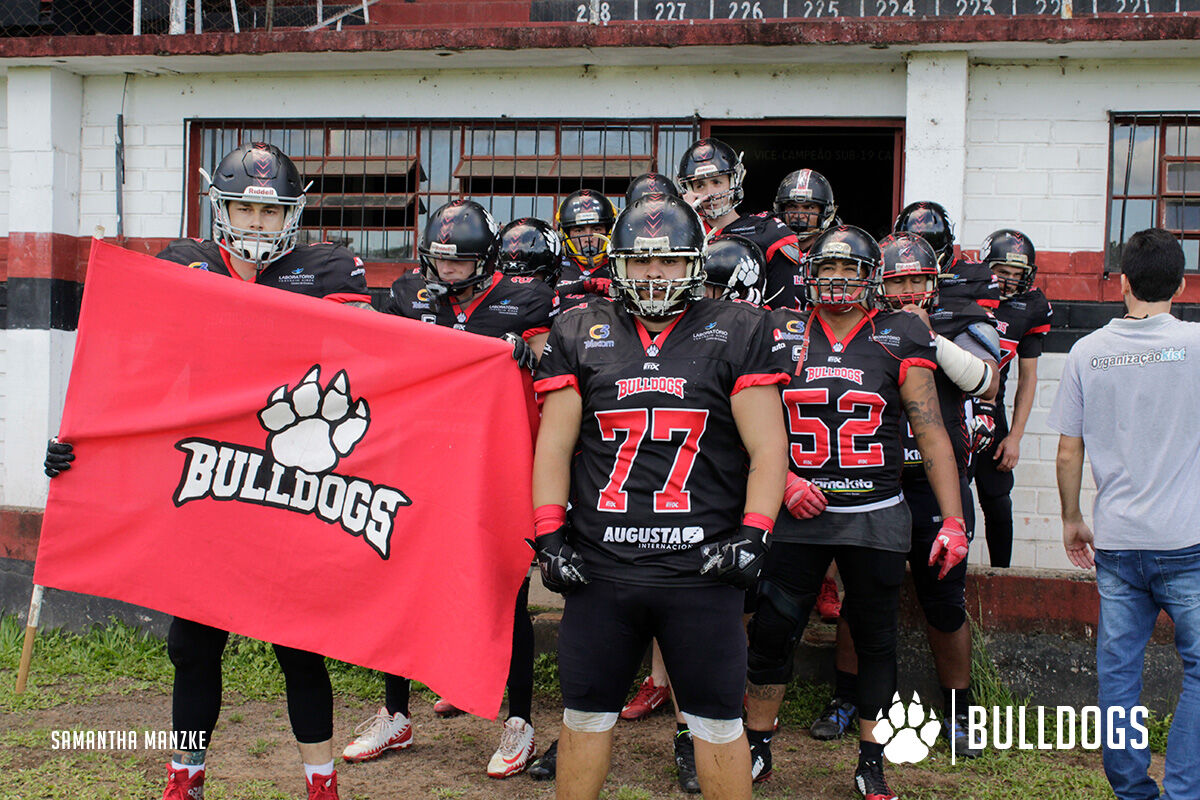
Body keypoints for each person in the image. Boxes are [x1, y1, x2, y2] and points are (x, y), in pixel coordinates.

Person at [45, 142, 372, 800]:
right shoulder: (183, 264)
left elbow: (384, 357)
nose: (255, 225)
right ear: (220, 210)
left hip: (288, 479)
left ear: (293, 214)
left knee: (299, 645)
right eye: (243, 211)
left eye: (268, 211)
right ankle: (185, 778)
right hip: (210, 474)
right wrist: (82, 438)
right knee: (193, 645)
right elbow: (132, 367)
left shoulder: (328, 268)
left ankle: (321, 782)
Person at [529, 192, 788, 800]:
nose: (654, 274)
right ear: (616, 263)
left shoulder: (738, 327)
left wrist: (754, 533)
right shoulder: (577, 328)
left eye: (669, 261)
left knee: (719, 725)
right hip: (602, 569)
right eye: (642, 262)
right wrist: (548, 534)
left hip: (701, 569)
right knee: (584, 716)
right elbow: (553, 446)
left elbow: (769, 449)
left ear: (695, 262)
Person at [743, 225, 966, 800]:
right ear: (807, 275)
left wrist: (954, 519)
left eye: (851, 270)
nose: (839, 281)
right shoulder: (779, 331)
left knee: (876, 639)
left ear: (873, 277)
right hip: (799, 514)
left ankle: (872, 758)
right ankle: (758, 745)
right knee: (773, 631)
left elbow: (932, 432)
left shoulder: (900, 332)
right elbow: (750, 423)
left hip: (877, 512)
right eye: (828, 269)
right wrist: (786, 478)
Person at [343, 200, 554, 778]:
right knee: (402, 580)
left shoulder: (525, 298)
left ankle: (520, 720)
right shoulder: (410, 294)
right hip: (423, 462)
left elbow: (552, 368)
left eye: (459, 264)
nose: (448, 273)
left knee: (505, 590)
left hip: (495, 469)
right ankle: (395, 712)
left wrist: (523, 358)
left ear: (487, 261)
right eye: (440, 262)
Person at [810, 233, 1000, 754]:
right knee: (862, 599)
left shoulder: (959, 318)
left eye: (919, 278)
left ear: (935, 281)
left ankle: (960, 711)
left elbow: (988, 384)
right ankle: (846, 697)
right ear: (879, 281)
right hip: (879, 483)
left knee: (943, 601)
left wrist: (928, 339)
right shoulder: (863, 330)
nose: (911, 289)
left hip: (935, 485)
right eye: (898, 279)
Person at [1049, 228, 1199, 800]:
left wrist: (1069, 518)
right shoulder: (1197, 346)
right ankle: (1184, 792)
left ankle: (1134, 792)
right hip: (1187, 543)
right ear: (1181, 284)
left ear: (1124, 283)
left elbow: (1069, 449)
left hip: (1116, 544)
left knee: (1117, 677)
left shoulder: (1087, 352)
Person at [969, 229, 1052, 567]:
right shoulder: (963, 287)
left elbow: (1028, 377)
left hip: (991, 408)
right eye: (1002, 272)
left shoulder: (1031, 306)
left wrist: (1015, 436)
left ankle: (998, 578)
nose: (1009, 281)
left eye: (1018, 274)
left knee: (998, 499)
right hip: (949, 407)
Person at [675, 138, 803, 310]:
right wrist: (683, 221)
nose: (709, 193)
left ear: (733, 180)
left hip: (751, 331)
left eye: (716, 182)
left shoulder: (768, 232)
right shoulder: (680, 233)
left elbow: (784, 313)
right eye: (699, 185)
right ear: (687, 188)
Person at [893, 200, 1000, 311]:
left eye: (931, 255)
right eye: (915, 254)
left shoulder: (977, 274)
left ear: (947, 248)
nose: (923, 261)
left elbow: (983, 320)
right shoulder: (889, 274)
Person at [773, 168, 838, 254]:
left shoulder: (835, 248)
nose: (798, 215)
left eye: (809, 207)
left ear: (824, 211)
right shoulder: (769, 246)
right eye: (792, 206)